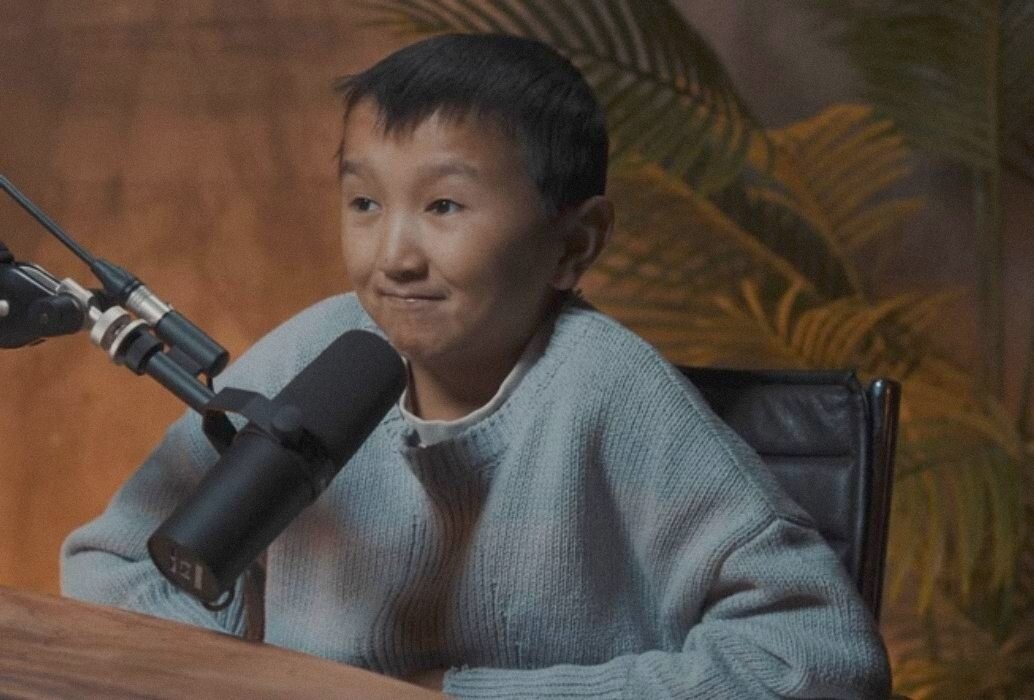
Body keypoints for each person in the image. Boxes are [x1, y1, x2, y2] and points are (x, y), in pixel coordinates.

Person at [61, 33, 891, 698]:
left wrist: (461, 695)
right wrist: (247, 674)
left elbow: (819, 661)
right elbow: (113, 565)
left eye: (444, 205)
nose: (394, 256)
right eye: (364, 202)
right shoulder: (315, 351)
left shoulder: (612, 392)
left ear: (574, 244)